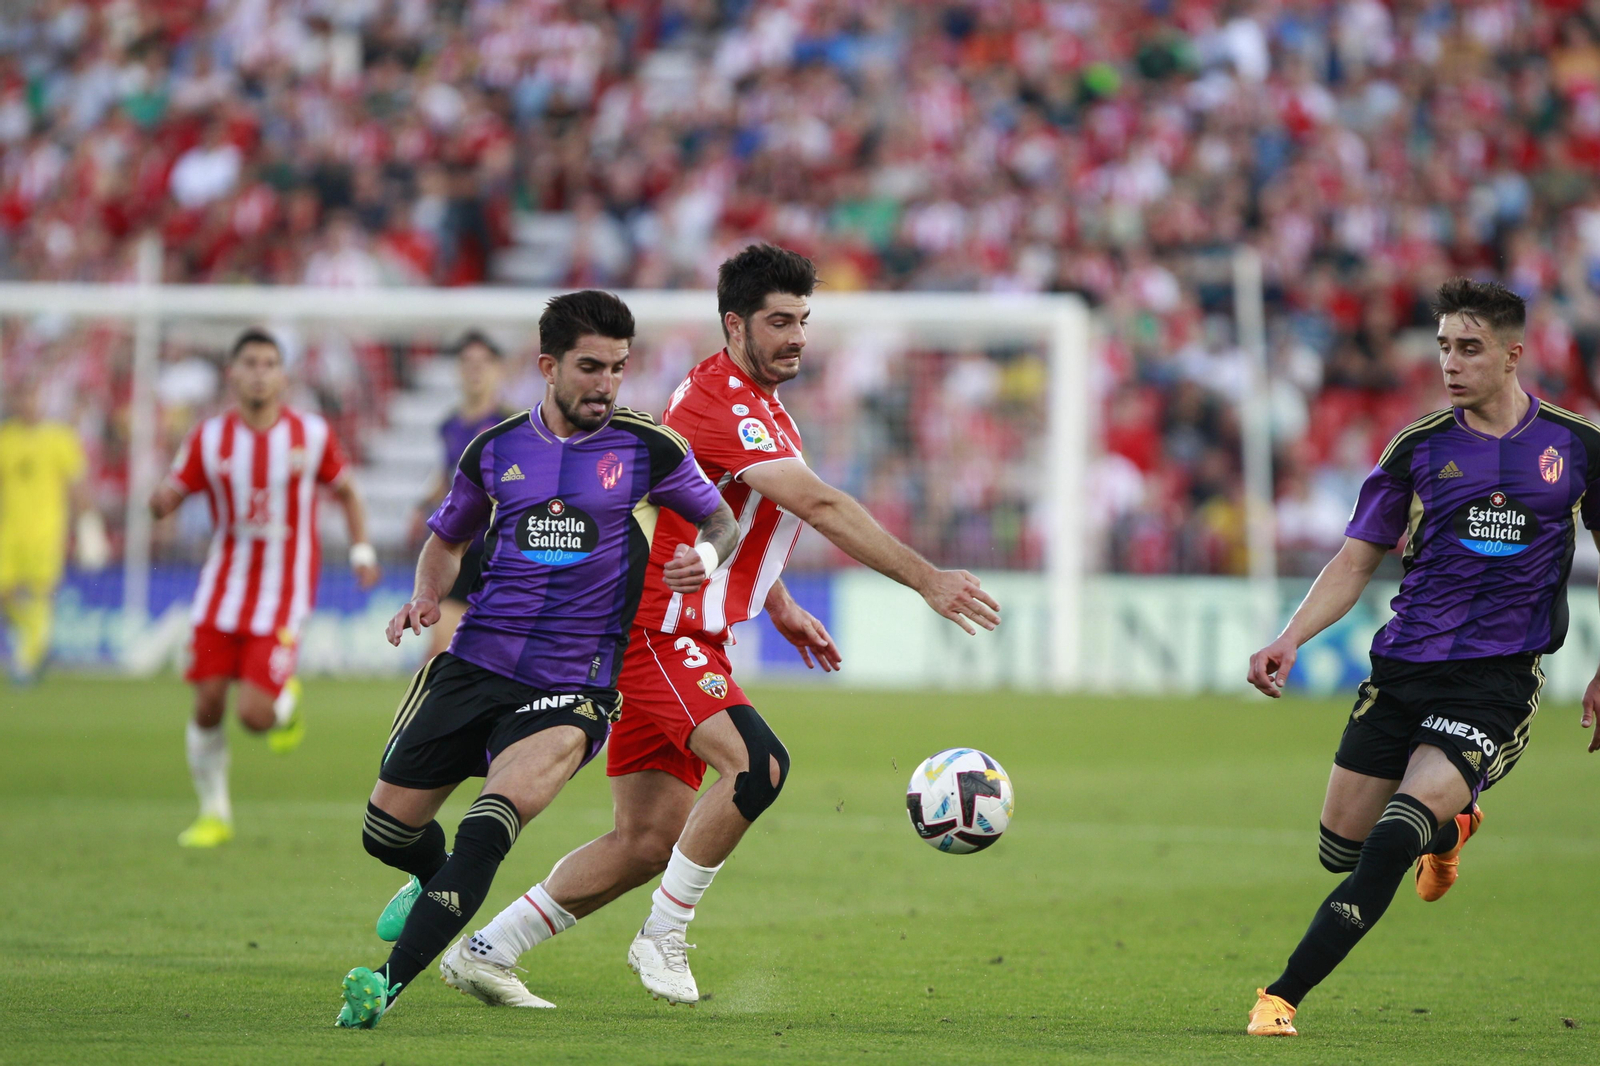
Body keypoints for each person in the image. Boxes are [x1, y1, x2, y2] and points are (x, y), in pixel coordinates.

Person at [451, 243, 1001, 1009]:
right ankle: (663, 935)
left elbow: (729, 511)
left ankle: (487, 950)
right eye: (780, 321)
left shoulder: (753, 400)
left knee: (648, 840)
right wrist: (927, 578)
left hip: (679, 630)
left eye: (803, 320)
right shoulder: (725, 404)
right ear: (734, 325)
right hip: (655, 629)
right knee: (757, 766)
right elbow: (820, 505)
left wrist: (777, 601)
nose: (798, 337)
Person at [335, 290, 737, 1029]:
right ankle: (433, 880)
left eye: (618, 368)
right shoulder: (493, 451)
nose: (606, 384)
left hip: (573, 685)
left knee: (491, 822)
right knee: (386, 832)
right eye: (591, 368)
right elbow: (447, 539)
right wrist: (426, 596)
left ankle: (384, 985)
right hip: (474, 663)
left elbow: (720, 516)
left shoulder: (647, 448)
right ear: (548, 367)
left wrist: (706, 559)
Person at [1243, 278, 1600, 1036]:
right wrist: (1290, 636)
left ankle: (1281, 996)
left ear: (1513, 354)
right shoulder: (1418, 447)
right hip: (1403, 669)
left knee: (1393, 834)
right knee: (1339, 846)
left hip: (1495, 682)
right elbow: (1355, 560)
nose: (1451, 363)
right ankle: (1453, 827)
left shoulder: (1578, 448)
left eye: (1469, 348)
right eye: (1443, 347)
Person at [151, 328, 381, 849]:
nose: (259, 373)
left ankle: (284, 704)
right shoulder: (209, 437)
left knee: (254, 717)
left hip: (283, 593)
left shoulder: (310, 434)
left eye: (269, 363)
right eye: (250, 363)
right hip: (221, 588)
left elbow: (347, 491)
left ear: (283, 375)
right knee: (207, 703)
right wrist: (158, 503)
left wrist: (363, 551)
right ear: (232, 373)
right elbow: (173, 489)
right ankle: (214, 813)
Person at [409, 330, 514, 660]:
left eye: (483, 363)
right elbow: (449, 476)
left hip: (502, 554)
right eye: (467, 362)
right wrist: (422, 507)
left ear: (498, 370)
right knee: (439, 652)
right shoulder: (450, 426)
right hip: (462, 551)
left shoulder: (512, 425)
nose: (474, 370)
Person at [0, 383, 95, 682]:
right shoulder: (5, 438)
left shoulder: (59, 438)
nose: (27, 404)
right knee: (4, 593)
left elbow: (77, 485)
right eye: (22, 398)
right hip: (9, 531)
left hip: (46, 531)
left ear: (41, 401)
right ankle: (37, 638)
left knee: (41, 593)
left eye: (32, 397)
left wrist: (87, 526)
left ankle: (27, 661)